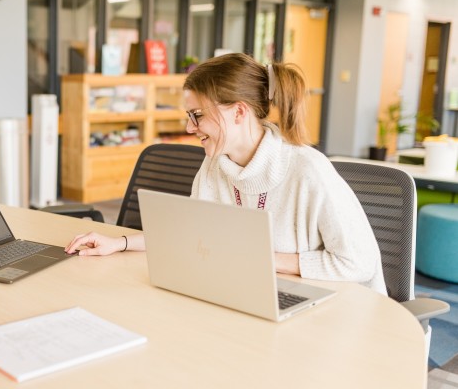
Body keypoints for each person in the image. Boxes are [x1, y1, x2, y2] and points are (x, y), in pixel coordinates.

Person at [65, 53, 387, 294]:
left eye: (198, 115)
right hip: (254, 296)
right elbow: (187, 234)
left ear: (239, 112)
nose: (190, 127)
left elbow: (360, 263)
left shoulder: (307, 171)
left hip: (334, 312)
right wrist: (118, 243)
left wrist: (265, 259)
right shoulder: (214, 166)